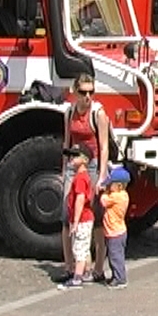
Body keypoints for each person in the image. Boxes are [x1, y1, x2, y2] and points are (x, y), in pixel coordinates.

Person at [59, 73, 109, 285]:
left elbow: (104, 146)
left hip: (93, 165)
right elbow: (67, 143)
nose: (88, 96)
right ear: (75, 91)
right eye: (83, 92)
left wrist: (102, 175)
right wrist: (64, 170)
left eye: (91, 92)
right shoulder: (69, 112)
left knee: (95, 217)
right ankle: (69, 266)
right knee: (66, 215)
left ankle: (98, 268)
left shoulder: (98, 114)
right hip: (74, 165)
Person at [58, 143, 95, 291]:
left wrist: (75, 220)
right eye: (70, 155)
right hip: (85, 218)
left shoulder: (80, 178)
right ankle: (86, 272)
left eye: (75, 155)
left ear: (85, 160)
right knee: (83, 247)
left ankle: (77, 278)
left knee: (79, 248)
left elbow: (80, 199)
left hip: (82, 219)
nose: (71, 158)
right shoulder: (83, 177)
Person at [100, 166, 130, 290]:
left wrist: (104, 192)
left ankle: (120, 279)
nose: (108, 187)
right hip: (118, 231)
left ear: (119, 186)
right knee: (116, 255)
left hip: (115, 233)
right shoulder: (124, 195)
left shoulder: (117, 197)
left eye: (110, 185)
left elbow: (103, 201)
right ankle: (116, 276)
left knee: (115, 256)